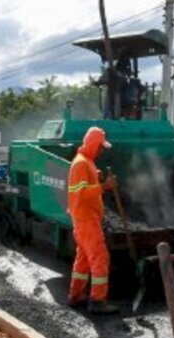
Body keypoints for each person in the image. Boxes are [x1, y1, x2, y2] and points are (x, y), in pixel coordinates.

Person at [67, 126, 118, 315]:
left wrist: (96, 178)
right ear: (93, 145)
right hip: (86, 218)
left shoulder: (85, 161)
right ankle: (97, 300)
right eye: (101, 147)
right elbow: (81, 193)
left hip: (83, 218)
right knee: (100, 258)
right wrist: (104, 186)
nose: (102, 150)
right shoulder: (81, 163)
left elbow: (84, 185)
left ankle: (76, 295)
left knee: (83, 259)